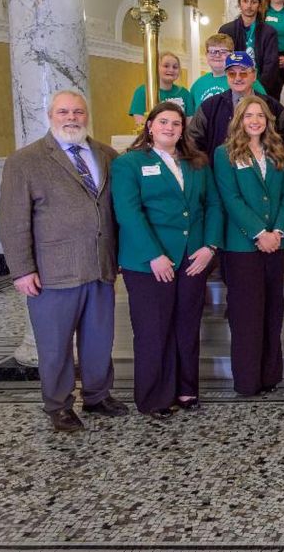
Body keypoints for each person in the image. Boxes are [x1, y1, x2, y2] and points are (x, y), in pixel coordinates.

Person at [0, 91, 128, 432]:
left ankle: (98, 395)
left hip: (100, 266)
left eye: (79, 112)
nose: (72, 117)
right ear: (50, 116)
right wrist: (22, 270)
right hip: (52, 272)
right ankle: (58, 405)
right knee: (54, 346)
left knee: (99, 339)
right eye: (64, 112)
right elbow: (12, 222)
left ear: (87, 116)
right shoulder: (25, 161)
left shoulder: (106, 155)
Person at [112, 102, 222, 418]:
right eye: (163, 122)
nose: (170, 128)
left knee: (187, 327)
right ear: (149, 126)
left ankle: (186, 387)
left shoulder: (197, 163)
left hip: (193, 259)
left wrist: (210, 247)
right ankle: (154, 397)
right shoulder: (129, 164)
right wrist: (153, 255)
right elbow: (128, 213)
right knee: (153, 330)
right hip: (149, 263)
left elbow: (213, 205)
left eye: (176, 123)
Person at [211, 96, 284, 397]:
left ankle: (270, 376)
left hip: (275, 243)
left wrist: (278, 231)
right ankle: (247, 381)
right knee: (247, 316)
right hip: (243, 247)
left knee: (273, 311)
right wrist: (259, 233)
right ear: (239, 120)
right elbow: (231, 199)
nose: (254, 120)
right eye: (248, 116)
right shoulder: (224, 154)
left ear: (267, 119)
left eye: (259, 115)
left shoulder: (276, 150)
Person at [187, 52, 284, 160]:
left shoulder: (273, 107)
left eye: (243, 73)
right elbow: (192, 142)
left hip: (263, 173)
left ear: (254, 75)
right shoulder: (209, 107)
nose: (237, 78)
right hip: (220, 174)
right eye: (232, 74)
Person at [219, 0, 281, 97]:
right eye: (245, 1)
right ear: (239, 4)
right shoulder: (226, 30)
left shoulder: (269, 32)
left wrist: (257, 91)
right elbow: (223, 62)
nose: (249, 6)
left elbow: (271, 66)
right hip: (234, 87)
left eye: (254, 2)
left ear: (259, 6)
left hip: (262, 89)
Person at [189, 33, 268, 106]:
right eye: (212, 51)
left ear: (232, 54)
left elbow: (264, 108)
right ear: (206, 55)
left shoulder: (247, 80)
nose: (217, 55)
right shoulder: (198, 85)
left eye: (223, 51)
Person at [127, 51, 194, 126]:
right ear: (156, 68)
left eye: (175, 67)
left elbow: (189, 124)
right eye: (166, 66)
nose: (171, 70)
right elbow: (140, 124)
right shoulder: (143, 91)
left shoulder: (185, 93)